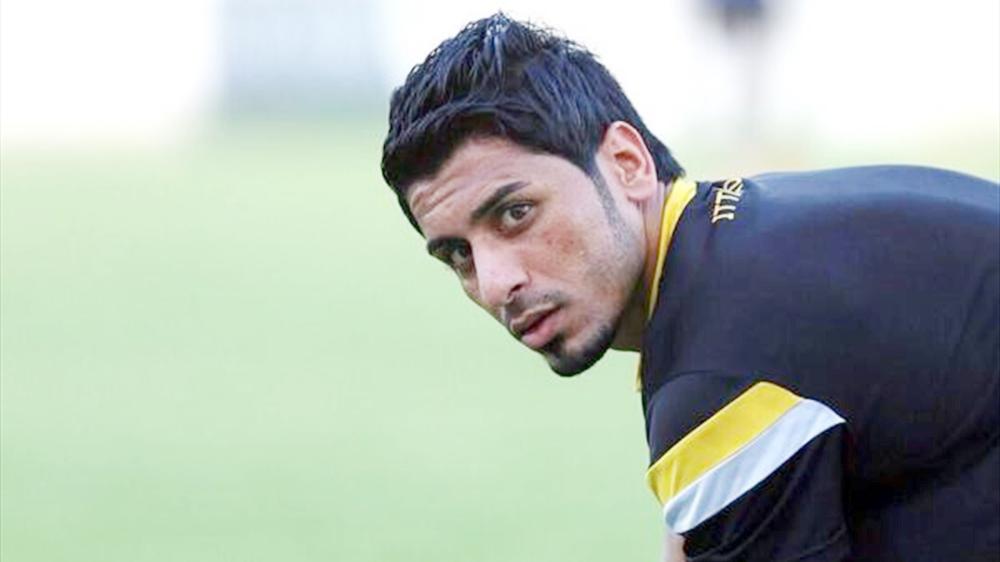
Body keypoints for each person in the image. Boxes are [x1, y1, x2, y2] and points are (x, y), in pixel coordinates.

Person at [379, 13, 1000, 562]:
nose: (495, 284)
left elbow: (720, 390)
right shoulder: (727, 247)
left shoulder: (719, 369)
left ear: (626, 164)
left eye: (516, 213)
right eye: (458, 254)